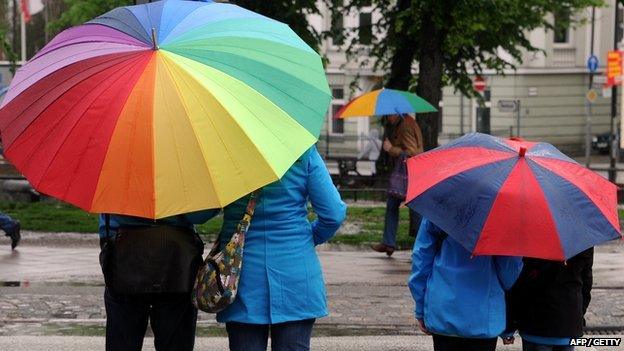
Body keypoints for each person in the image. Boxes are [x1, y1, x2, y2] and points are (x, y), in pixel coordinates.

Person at [216, 146, 346, 351]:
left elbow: (198, 214)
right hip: (296, 273)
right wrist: (308, 238)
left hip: (241, 276)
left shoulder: (222, 152)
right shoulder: (301, 150)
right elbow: (334, 213)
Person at [98, 210, 217, 351]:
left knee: (122, 338)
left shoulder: (115, 187)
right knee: (175, 339)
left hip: (124, 258)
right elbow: (200, 215)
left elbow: (105, 223)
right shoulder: (180, 186)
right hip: (176, 262)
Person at [409, 219, 523, 351]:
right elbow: (509, 271)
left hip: (443, 310)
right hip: (483, 315)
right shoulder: (501, 217)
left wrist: (420, 307)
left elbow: (421, 260)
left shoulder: (437, 207)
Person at [505, 248, 594, 351]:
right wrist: (577, 314)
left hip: (535, 324)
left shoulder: (530, 238)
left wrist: (510, 326)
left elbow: (518, 284)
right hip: (568, 322)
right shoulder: (582, 239)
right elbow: (586, 283)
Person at [372, 114, 423, 256]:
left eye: (389, 115)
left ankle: (420, 246)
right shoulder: (405, 122)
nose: (388, 118)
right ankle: (390, 243)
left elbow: (413, 152)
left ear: (396, 113)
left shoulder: (405, 126)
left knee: (415, 209)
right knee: (395, 205)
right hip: (411, 175)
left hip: (409, 176)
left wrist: (391, 148)